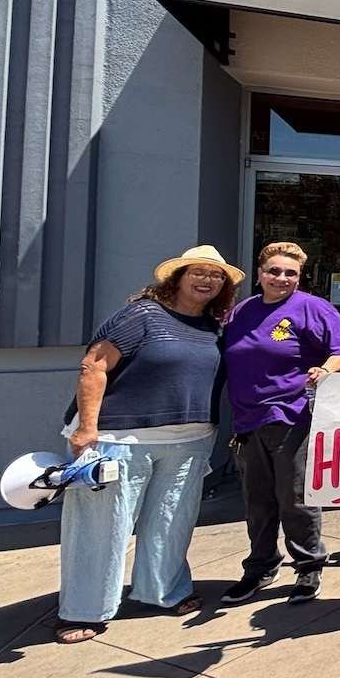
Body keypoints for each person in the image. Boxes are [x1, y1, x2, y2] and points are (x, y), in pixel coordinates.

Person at [55, 246, 241, 644]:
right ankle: (83, 610)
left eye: (217, 276)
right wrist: (87, 428)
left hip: (190, 440)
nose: (208, 280)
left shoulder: (214, 328)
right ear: (177, 276)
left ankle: (163, 592)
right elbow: (94, 365)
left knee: (172, 523)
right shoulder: (141, 314)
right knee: (101, 528)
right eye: (200, 272)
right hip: (121, 438)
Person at [220, 242, 340, 606]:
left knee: (295, 498)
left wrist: (324, 370)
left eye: (290, 273)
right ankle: (260, 567)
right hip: (247, 420)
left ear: (300, 277)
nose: (281, 278)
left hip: (293, 417)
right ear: (260, 272)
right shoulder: (240, 312)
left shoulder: (313, 308)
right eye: (274, 271)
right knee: (257, 502)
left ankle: (308, 565)